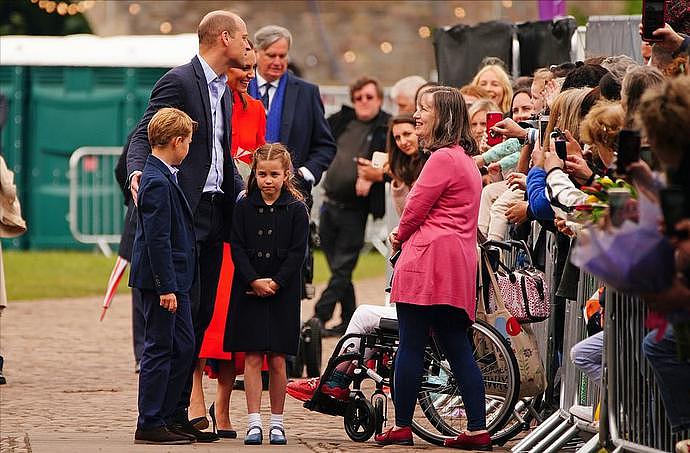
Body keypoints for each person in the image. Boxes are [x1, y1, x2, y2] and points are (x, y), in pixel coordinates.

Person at [126, 10, 249, 443]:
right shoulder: (180, 80)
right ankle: (160, 415)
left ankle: (177, 413)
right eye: (244, 37)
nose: (246, 45)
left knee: (196, 321)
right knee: (174, 319)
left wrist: (244, 200)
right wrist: (139, 173)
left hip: (217, 214)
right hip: (185, 214)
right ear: (222, 37)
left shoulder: (224, 89)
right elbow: (145, 133)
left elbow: (220, 154)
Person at [375, 86, 490, 450]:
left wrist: (398, 236)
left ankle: (403, 425)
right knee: (457, 347)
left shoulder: (441, 159)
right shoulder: (465, 161)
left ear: (444, 117)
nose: (418, 116)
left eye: (425, 110)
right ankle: (477, 427)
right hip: (456, 263)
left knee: (410, 343)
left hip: (427, 260)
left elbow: (414, 208)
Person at [189, 40, 266, 437]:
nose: (249, 75)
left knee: (232, 324)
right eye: (244, 68)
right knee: (206, 316)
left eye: (253, 69)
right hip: (208, 221)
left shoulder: (256, 109)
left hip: (238, 222)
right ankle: (194, 395)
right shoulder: (205, 96)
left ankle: (224, 405)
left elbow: (260, 162)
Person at [224, 143, 309, 446]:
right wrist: (253, 279)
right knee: (252, 356)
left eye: (274, 174)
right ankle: (253, 421)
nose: (268, 180)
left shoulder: (297, 209)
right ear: (255, 174)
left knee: (277, 360)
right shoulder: (244, 206)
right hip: (249, 289)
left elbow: (299, 252)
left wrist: (277, 282)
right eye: (262, 174)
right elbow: (238, 246)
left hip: (282, 292)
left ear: (286, 174)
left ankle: (277, 422)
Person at [129, 107, 197, 445]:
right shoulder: (156, 180)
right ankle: (150, 421)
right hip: (162, 282)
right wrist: (165, 287)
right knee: (159, 348)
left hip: (176, 280)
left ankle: (169, 415)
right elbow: (157, 240)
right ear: (176, 141)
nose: (188, 149)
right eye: (187, 142)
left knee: (184, 346)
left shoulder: (164, 173)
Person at [313, 76, 391, 337]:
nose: (364, 102)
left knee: (343, 266)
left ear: (379, 99)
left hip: (355, 209)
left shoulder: (386, 126)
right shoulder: (342, 120)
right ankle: (348, 319)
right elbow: (320, 140)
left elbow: (392, 159)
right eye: (358, 97)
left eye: (369, 97)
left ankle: (318, 317)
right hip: (329, 203)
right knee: (338, 267)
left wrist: (373, 175)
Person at [248, 25, 336, 204]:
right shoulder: (239, 86)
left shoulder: (307, 92)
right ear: (256, 53)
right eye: (272, 55)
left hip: (293, 197)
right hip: (245, 193)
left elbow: (325, 145)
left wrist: (305, 173)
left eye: (283, 55)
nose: (278, 61)